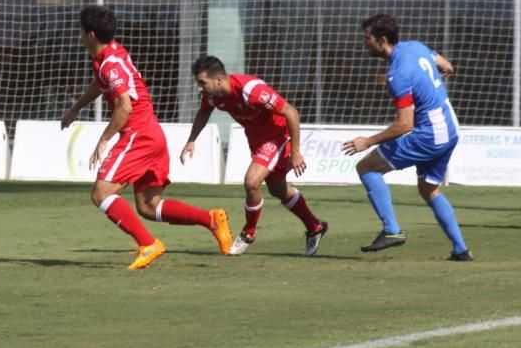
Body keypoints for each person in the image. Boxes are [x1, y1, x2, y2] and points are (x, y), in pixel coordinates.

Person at [61, 5, 234, 270]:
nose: (80, 35)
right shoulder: (108, 55)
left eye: (82, 31)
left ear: (91, 34)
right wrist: (76, 108)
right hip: (151, 133)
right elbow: (101, 83)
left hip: (138, 135)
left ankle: (148, 243)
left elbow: (124, 107)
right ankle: (211, 219)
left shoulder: (110, 63)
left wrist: (104, 139)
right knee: (148, 206)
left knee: (101, 192)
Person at [342, 14, 472, 261]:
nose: (364, 43)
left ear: (382, 40)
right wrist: (427, 86)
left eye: (366, 38)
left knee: (367, 167)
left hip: (429, 135)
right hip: (450, 128)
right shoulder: (416, 46)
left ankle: (392, 230)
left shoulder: (397, 74)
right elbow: (447, 67)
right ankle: (461, 250)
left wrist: (367, 141)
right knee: (428, 189)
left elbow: (404, 125)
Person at [181, 56, 328, 256]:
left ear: (218, 80)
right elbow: (203, 113)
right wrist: (192, 140)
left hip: (278, 136)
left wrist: (295, 152)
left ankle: (248, 233)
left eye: (202, 83)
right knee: (278, 190)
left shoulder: (251, 89)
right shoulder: (212, 96)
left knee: (252, 182)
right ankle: (315, 226)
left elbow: (291, 112)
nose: (199, 88)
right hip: (257, 141)